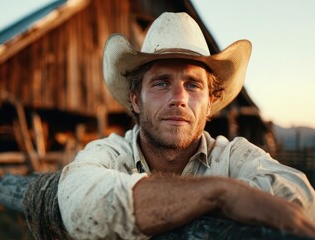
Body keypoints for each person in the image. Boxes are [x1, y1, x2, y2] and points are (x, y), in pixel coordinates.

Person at [57, 12, 315, 239]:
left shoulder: (232, 156)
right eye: (161, 83)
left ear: (210, 102)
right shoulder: (110, 153)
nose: (179, 99)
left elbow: (299, 195)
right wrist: (221, 193)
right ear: (136, 99)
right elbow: (78, 202)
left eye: (193, 85)